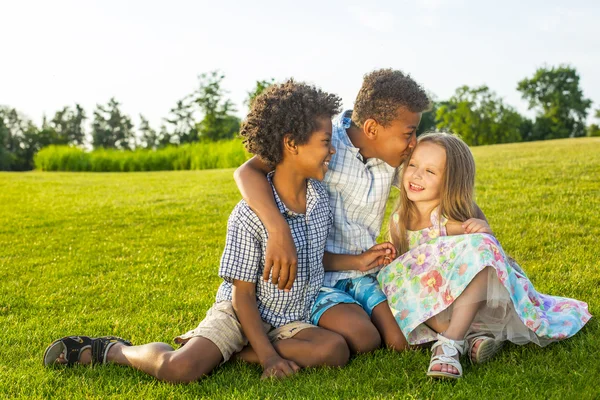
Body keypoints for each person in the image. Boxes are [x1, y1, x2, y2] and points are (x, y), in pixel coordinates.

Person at [42, 80, 350, 382]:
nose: (332, 150)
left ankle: (231, 353)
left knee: (335, 350)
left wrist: (360, 260)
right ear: (292, 143)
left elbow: (314, 256)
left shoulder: (319, 199)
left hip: (290, 319)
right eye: (325, 142)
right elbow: (242, 297)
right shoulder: (248, 216)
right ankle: (112, 350)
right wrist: (270, 358)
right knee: (179, 369)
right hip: (241, 315)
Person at [234, 69, 491, 354]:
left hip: (366, 272)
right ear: (371, 129)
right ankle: (271, 340)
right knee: (362, 338)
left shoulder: (393, 157)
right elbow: (247, 172)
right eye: (408, 133)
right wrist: (277, 230)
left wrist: (478, 230)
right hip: (318, 276)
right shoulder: (321, 143)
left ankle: (461, 334)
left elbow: (444, 189)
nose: (414, 142)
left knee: (400, 342)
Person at [378, 132, 592, 379]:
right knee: (391, 276)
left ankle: (450, 344)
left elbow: (489, 253)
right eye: (413, 165)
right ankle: (471, 339)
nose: (416, 175)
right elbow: (400, 265)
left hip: (472, 300)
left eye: (430, 171)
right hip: (432, 303)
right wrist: (388, 255)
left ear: (451, 182)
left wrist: (482, 231)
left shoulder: (455, 214)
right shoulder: (400, 218)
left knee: (482, 248)